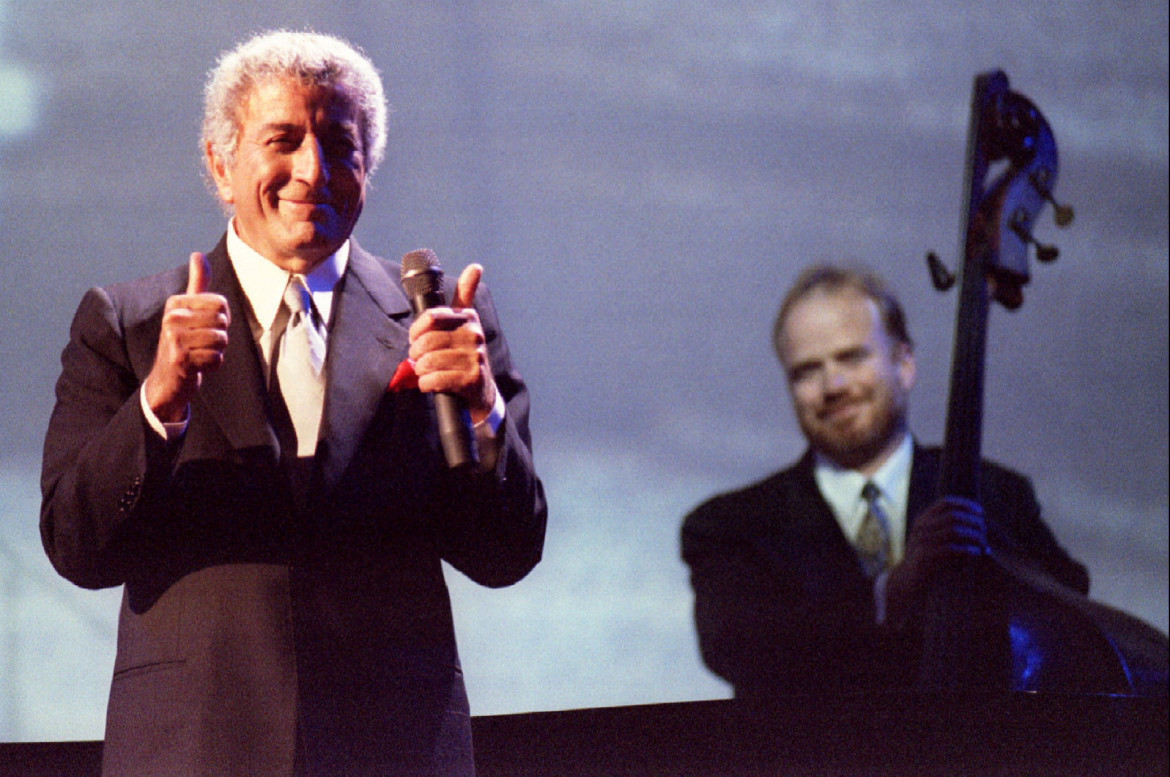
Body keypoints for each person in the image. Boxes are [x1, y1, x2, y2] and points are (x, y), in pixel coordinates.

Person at [40, 31, 546, 777]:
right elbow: (75, 547)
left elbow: (505, 555)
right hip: (195, 747)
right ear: (221, 162)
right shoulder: (131, 324)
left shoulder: (439, 324)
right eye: (283, 140)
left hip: (395, 745)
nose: (313, 170)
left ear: (367, 167)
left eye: (340, 145)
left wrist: (481, 411)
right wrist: (159, 404)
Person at [680, 263, 1088, 700]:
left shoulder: (995, 495)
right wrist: (888, 593)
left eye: (852, 357)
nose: (832, 385)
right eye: (806, 371)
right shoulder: (729, 525)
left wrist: (989, 571)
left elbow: (1071, 614)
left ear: (905, 364)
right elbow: (739, 645)